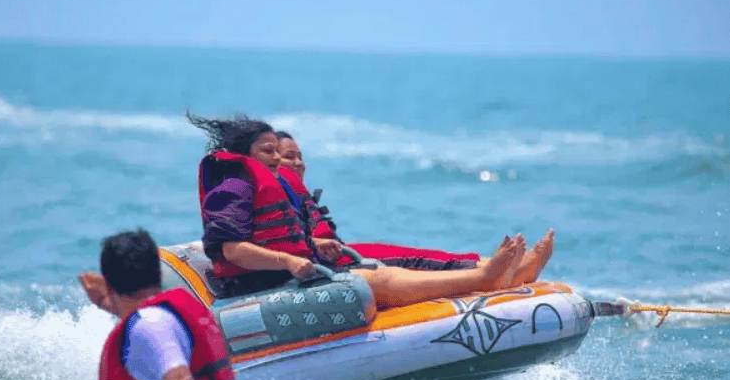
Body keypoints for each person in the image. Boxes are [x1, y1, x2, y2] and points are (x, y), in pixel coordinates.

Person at [189, 113, 526, 307]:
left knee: (378, 267)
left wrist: (312, 247)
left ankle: (486, 276)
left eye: (280, 152)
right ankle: (482, 277)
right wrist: (289, 260)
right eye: (268, 152)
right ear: (244, 154)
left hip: (282, 275)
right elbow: (231, 250)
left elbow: (266, 239)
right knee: (372, 278)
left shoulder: (255, 182)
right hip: (256, 287)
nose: (278, 160)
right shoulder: (233, 184)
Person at [274, 130, 554, 286]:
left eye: (300, 156)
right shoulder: (273, 189)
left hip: (340, 253)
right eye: (290, 157)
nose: (299, 163)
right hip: (334, 262)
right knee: (412, 261)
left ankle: (508, 269)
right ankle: (493, 274)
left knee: (420, 255)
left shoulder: (288, 187)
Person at [80, 229, 251, 380]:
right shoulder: (158, 320)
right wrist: (104, 301)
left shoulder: (150, 324)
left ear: (111, 284)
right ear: (160, 272)